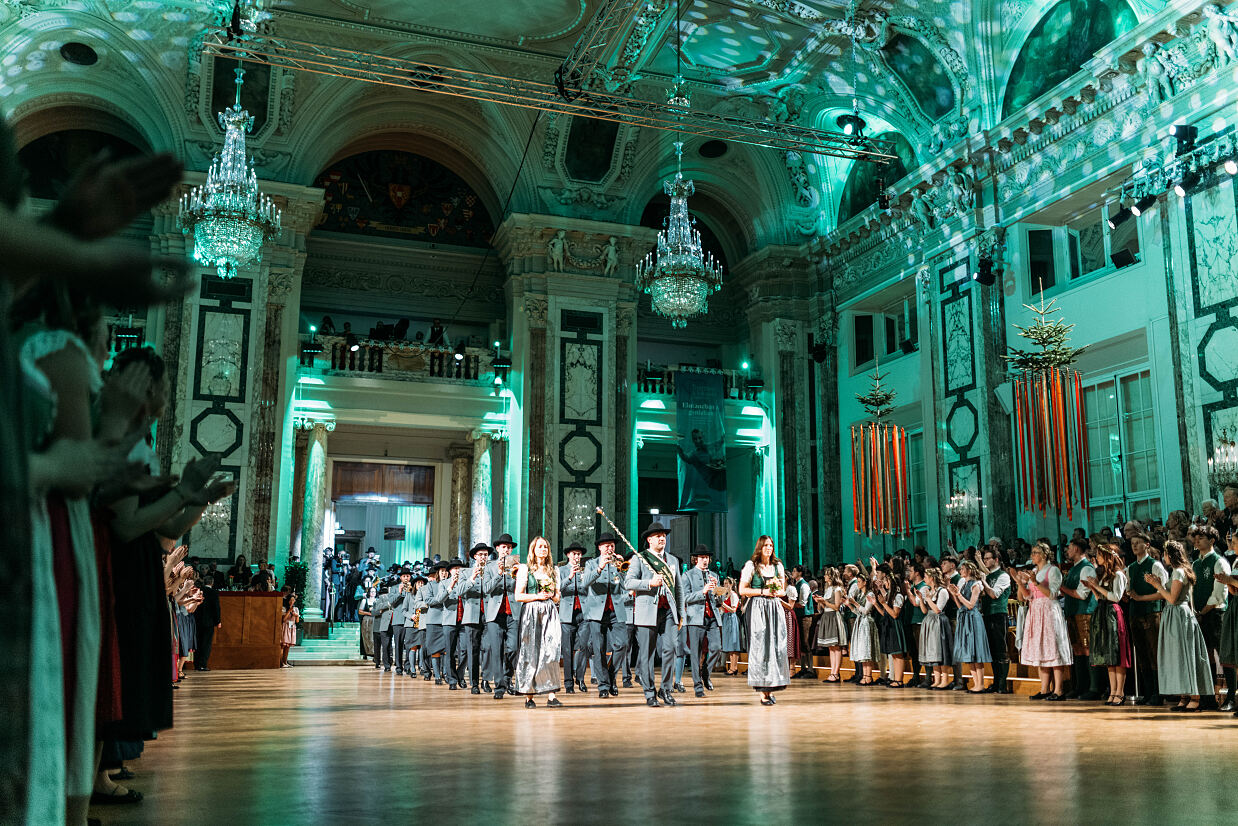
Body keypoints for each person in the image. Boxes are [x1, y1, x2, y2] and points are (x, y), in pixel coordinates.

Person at [1147, 540, 1214, 711]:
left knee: (1186, 654)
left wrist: (1157, 585)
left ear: (1170, 555)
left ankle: (1195, 696)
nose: (1163, 557)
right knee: (1178, 656)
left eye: (1165, 554)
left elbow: (1172, 598)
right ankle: (1184, 695)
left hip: (1179, 615)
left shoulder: (1178, 572)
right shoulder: (1177, 572)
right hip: (1174, 615)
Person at [625, 522, 687, 707]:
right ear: (649, 539)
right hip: (647, 611)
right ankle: (649, 692)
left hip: (668, 610)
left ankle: (666, 689)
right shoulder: (640, 558)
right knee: (646, 654)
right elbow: (628, 582)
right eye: (658, 535)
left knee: (671, 649)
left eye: (664, 535)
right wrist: (649, 583)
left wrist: (681, 613)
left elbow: (679, 588)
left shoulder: (673, 560)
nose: (662, 538)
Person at [1015, 541, 1072, 700]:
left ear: (1045, 555)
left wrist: (1035, 582)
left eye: (1035, 552)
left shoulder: (1053, 571)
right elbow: (1026, 596)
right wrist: (1020, 582)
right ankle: (1045, 688)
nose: (1032, 555)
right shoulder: (1034, 571)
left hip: (1048, 610)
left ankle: (1058, 690)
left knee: (1053, 648)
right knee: (1040, 649)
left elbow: (1052, 594)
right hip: (1035, 610)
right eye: (1032, 552)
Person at [738, 535, 790, 705]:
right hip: (758, 607)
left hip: (774, 607)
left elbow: (783, 591)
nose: (769, 548)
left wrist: (775, 591)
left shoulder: (777, 566)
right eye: (766, 545)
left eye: (771, 545)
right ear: (760, 547)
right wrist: (763, 591)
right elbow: (742, 589)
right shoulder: (751, 566)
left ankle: (771, 686)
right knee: (760, 647)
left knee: (776, 646)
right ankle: (762, 691)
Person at [512, 536, 563, 707]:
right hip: (531, 612)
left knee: (551, 650)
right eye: (540, 546)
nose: (543, 549)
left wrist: (552, 596)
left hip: (549, 612)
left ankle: (551, 695)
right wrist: (537, 596)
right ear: (533, 550)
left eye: (545, 547)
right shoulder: (525, 569)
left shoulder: (554, 570)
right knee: (530, 652)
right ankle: (529, 696)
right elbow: (518, 596)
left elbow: (557, 598)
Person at [1081, 543, 1133, 705]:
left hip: (1113, 614)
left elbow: (1115, 596)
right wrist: (1093, 589)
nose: (1097, 558)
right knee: (1109, 656)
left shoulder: (1119, 575)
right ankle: (1112, 691)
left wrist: (1097, 586)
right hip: (1103, 612)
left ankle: (1120, 692)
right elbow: (1101, 598)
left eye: (1100, 555)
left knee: (1117, 654)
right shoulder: (1105, 575)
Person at [581, 532, 628, 699]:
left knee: (622, 644)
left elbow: (626, 586)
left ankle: (611, 676)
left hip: (616, 611)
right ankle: (603, 685)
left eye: (612, 545)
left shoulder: (618, 564)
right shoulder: (591, 563)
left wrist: (623, 569)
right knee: (599, 649)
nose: (610, 548)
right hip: (596, 612)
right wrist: (599, 567)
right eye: (607, 545)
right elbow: (585, 582)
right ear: (600, 547)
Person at [1189, 524, 1231, 709]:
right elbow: (1192, 589)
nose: (1196, 540)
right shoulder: (1195, 563)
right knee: (1205, 656)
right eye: (1195, 537)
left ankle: (1230, 696)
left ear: (1212, 540)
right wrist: (1194, 611)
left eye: (1201, 538)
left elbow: (1219, 594)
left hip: (1216, 614)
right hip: (1199, 615)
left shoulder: (1219, 561)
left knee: (1224, 656)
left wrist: (1203, 611)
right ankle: (1207, 697)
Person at [1126, 532, 1167, 705]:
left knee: (1154, 654)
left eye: (1138, 542)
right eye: (1132, 543)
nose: (1134, 546)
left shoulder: (1155, 565)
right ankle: (1148, 692)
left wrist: (1140, 597)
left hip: (1152, 613)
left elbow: (1163, 593)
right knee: (1142, 654)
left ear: (1147, 545)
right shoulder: (1131, 567)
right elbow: (1129, 590)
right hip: (1135, 613)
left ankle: (1159, 693)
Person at [482, 533, 521, 699]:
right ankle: (499, 687)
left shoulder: (517, 567)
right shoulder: (489, 567)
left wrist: (515, 573)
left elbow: (520, 587)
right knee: (496, 651)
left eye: (509, 547)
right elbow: (486, 589)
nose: (506, 550)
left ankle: (506, 678)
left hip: (513, 612)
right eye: (504, 547)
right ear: (498, 549)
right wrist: (499, 574)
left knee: (513, 648)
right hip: (494, 614)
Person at [1061, 538, 1099, 699]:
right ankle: (1080, 686)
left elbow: (1082, 594)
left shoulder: (1086, 568)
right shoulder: (1074, 568)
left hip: (1085, 613)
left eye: (1069, 547)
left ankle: (1094, 687)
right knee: (1077, 650)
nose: (1067, 551)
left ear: (1076, 549)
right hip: (1073, 613)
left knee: (1088, 649)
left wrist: (1062, 587)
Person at [682, 545, 723, 698]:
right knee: (695, 653)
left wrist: (718, 592)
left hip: (712, 616)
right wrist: (702, 592)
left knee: (717, 647)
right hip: (695, 618)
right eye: (702, 558)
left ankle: (705, 672)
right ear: (695, 559)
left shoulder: (714, 575)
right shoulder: (687, 575)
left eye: (706, 558)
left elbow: (719, 600)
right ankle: (698, 686)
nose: (705, 560)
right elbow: (684, 598)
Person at [949, 561, 992, 693]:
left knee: (976, 653)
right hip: (964, 618)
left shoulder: (976, 585)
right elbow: (960, 606)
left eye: (963, 568)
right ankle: (976, 683)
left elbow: (971, 605)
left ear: (970, 570)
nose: (961, 570)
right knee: (969, 654)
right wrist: (954, 594)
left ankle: (981, 684)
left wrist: (959, 595)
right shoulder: (964, 584)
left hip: (972, 618)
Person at [976, 547, 1012, 694]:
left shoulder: (1003, 576)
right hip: (988, 614)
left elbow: (994, 594)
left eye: (987, 559)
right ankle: (996, 682)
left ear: (996, 560)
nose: (985, 561)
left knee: (1000, 649)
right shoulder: (989, 575)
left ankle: (1002, 684)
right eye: (984, 559)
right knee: (991, 650)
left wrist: (983, 582)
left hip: (998, 614)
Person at [458, 543, 491, 694]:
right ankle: (474, 683)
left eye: (485, 555)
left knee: (488, 649)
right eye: (481, 555)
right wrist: (472, 578)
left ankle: (486, 680)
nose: (483, 557)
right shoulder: (465, 572)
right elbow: (459, 591)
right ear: (475, 557)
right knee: (473, 650)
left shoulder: (492, 570)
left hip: (489, 614)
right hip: (472, 615)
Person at [557, 542, 589, 694]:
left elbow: (590, 588)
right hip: (567, 614)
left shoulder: (586, 570)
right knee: (567, 649)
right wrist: (570, 577)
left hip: (584, 612)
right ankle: (568, 682)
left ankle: (581, 678)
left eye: (579, 554)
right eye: (574, 554)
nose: (577, 556)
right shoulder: (561, 570)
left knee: (584, 646)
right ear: (568, 555)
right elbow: (558, 589)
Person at [917, 568, 953, 689]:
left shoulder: (942, 592)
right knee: (933, 653)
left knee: (940, 651)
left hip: (939, 622)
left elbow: (938, 609)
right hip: (929, 621)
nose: (924, 579)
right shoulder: (930, 591)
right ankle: (937, 680)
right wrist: (922, 599)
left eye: (926, 577)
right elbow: (924, 611)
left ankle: (945, 680)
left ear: (932, 578)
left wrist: (927, 598)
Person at [873, 567, 907, 688]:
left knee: (898, 654)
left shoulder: (898, 596)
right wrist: (876, 604)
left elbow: (894, 614)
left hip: (895, 627)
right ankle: (896, 679)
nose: (885, 583)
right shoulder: (890, 596)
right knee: (893, 654)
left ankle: (899, 679)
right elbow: (885, 613)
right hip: (889, 626)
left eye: (886, 582)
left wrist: (883, 603)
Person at [440, 559, 465, 688]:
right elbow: (440, 599)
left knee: (465, 650)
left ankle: (460, 675)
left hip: (464, 620)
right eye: (455, 568)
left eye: (460, 568)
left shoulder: (466, 583)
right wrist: (451, 586)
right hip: (449, 621)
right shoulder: (444, 583)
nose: (457, 571)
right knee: (449, 651)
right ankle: (452, 679)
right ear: (450, 571)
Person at [788, 564, 815, 678]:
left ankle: (810, 669)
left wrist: (790, 605)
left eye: (794, 571)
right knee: (800, 642)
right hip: (799, 616)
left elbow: (802, 603)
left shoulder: (804, 585)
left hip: (805, 616)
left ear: (800, 573)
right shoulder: (797, 584)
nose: (793, 573)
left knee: (805, 641)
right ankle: (803, 668)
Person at [192, 574, 222, 672]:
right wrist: (218, 621)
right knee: (206, 644)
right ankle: (203, 665)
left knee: (198, 643)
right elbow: (216, 608)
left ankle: (196, 664)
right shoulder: (214, 592)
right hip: (209, 622)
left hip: (197, 621)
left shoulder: (199, 591)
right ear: (212, 583)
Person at [720, 578, 743, 676]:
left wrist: (723, 604)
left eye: (727, 584)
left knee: (733, 644)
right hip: (725, 618)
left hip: (731, 618)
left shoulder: (733, 595)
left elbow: (733, 610)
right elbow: (723, 609)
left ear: (731, 584)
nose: (725, 585)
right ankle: (731, 667)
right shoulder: (725, 595)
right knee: (729, 644)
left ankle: (734, 667)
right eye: (724, 584)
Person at [358, 585, 378, 661]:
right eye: (371, 591)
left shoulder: (377, 600)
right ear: (369, 593)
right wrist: (369, 613)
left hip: (375, 620)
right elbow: (360, 611)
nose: (373, 593)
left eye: (374, 591)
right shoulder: (364, 601)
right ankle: (365, 652)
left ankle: (373, 652)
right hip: (367, 620)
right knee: (366, 635)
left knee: (374, 636)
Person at [279, 593, 300, 668]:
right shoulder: (284, 608)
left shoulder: (296, 609)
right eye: (290, 600)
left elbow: (297, 621)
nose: (292, 601)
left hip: (292, 627)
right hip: (286, 627)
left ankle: (285, 662)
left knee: (288, 647)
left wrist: (296, 616)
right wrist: (289, 611)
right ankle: (281, 663)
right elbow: (283, 619)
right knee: (283, 645)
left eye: (293, 600)